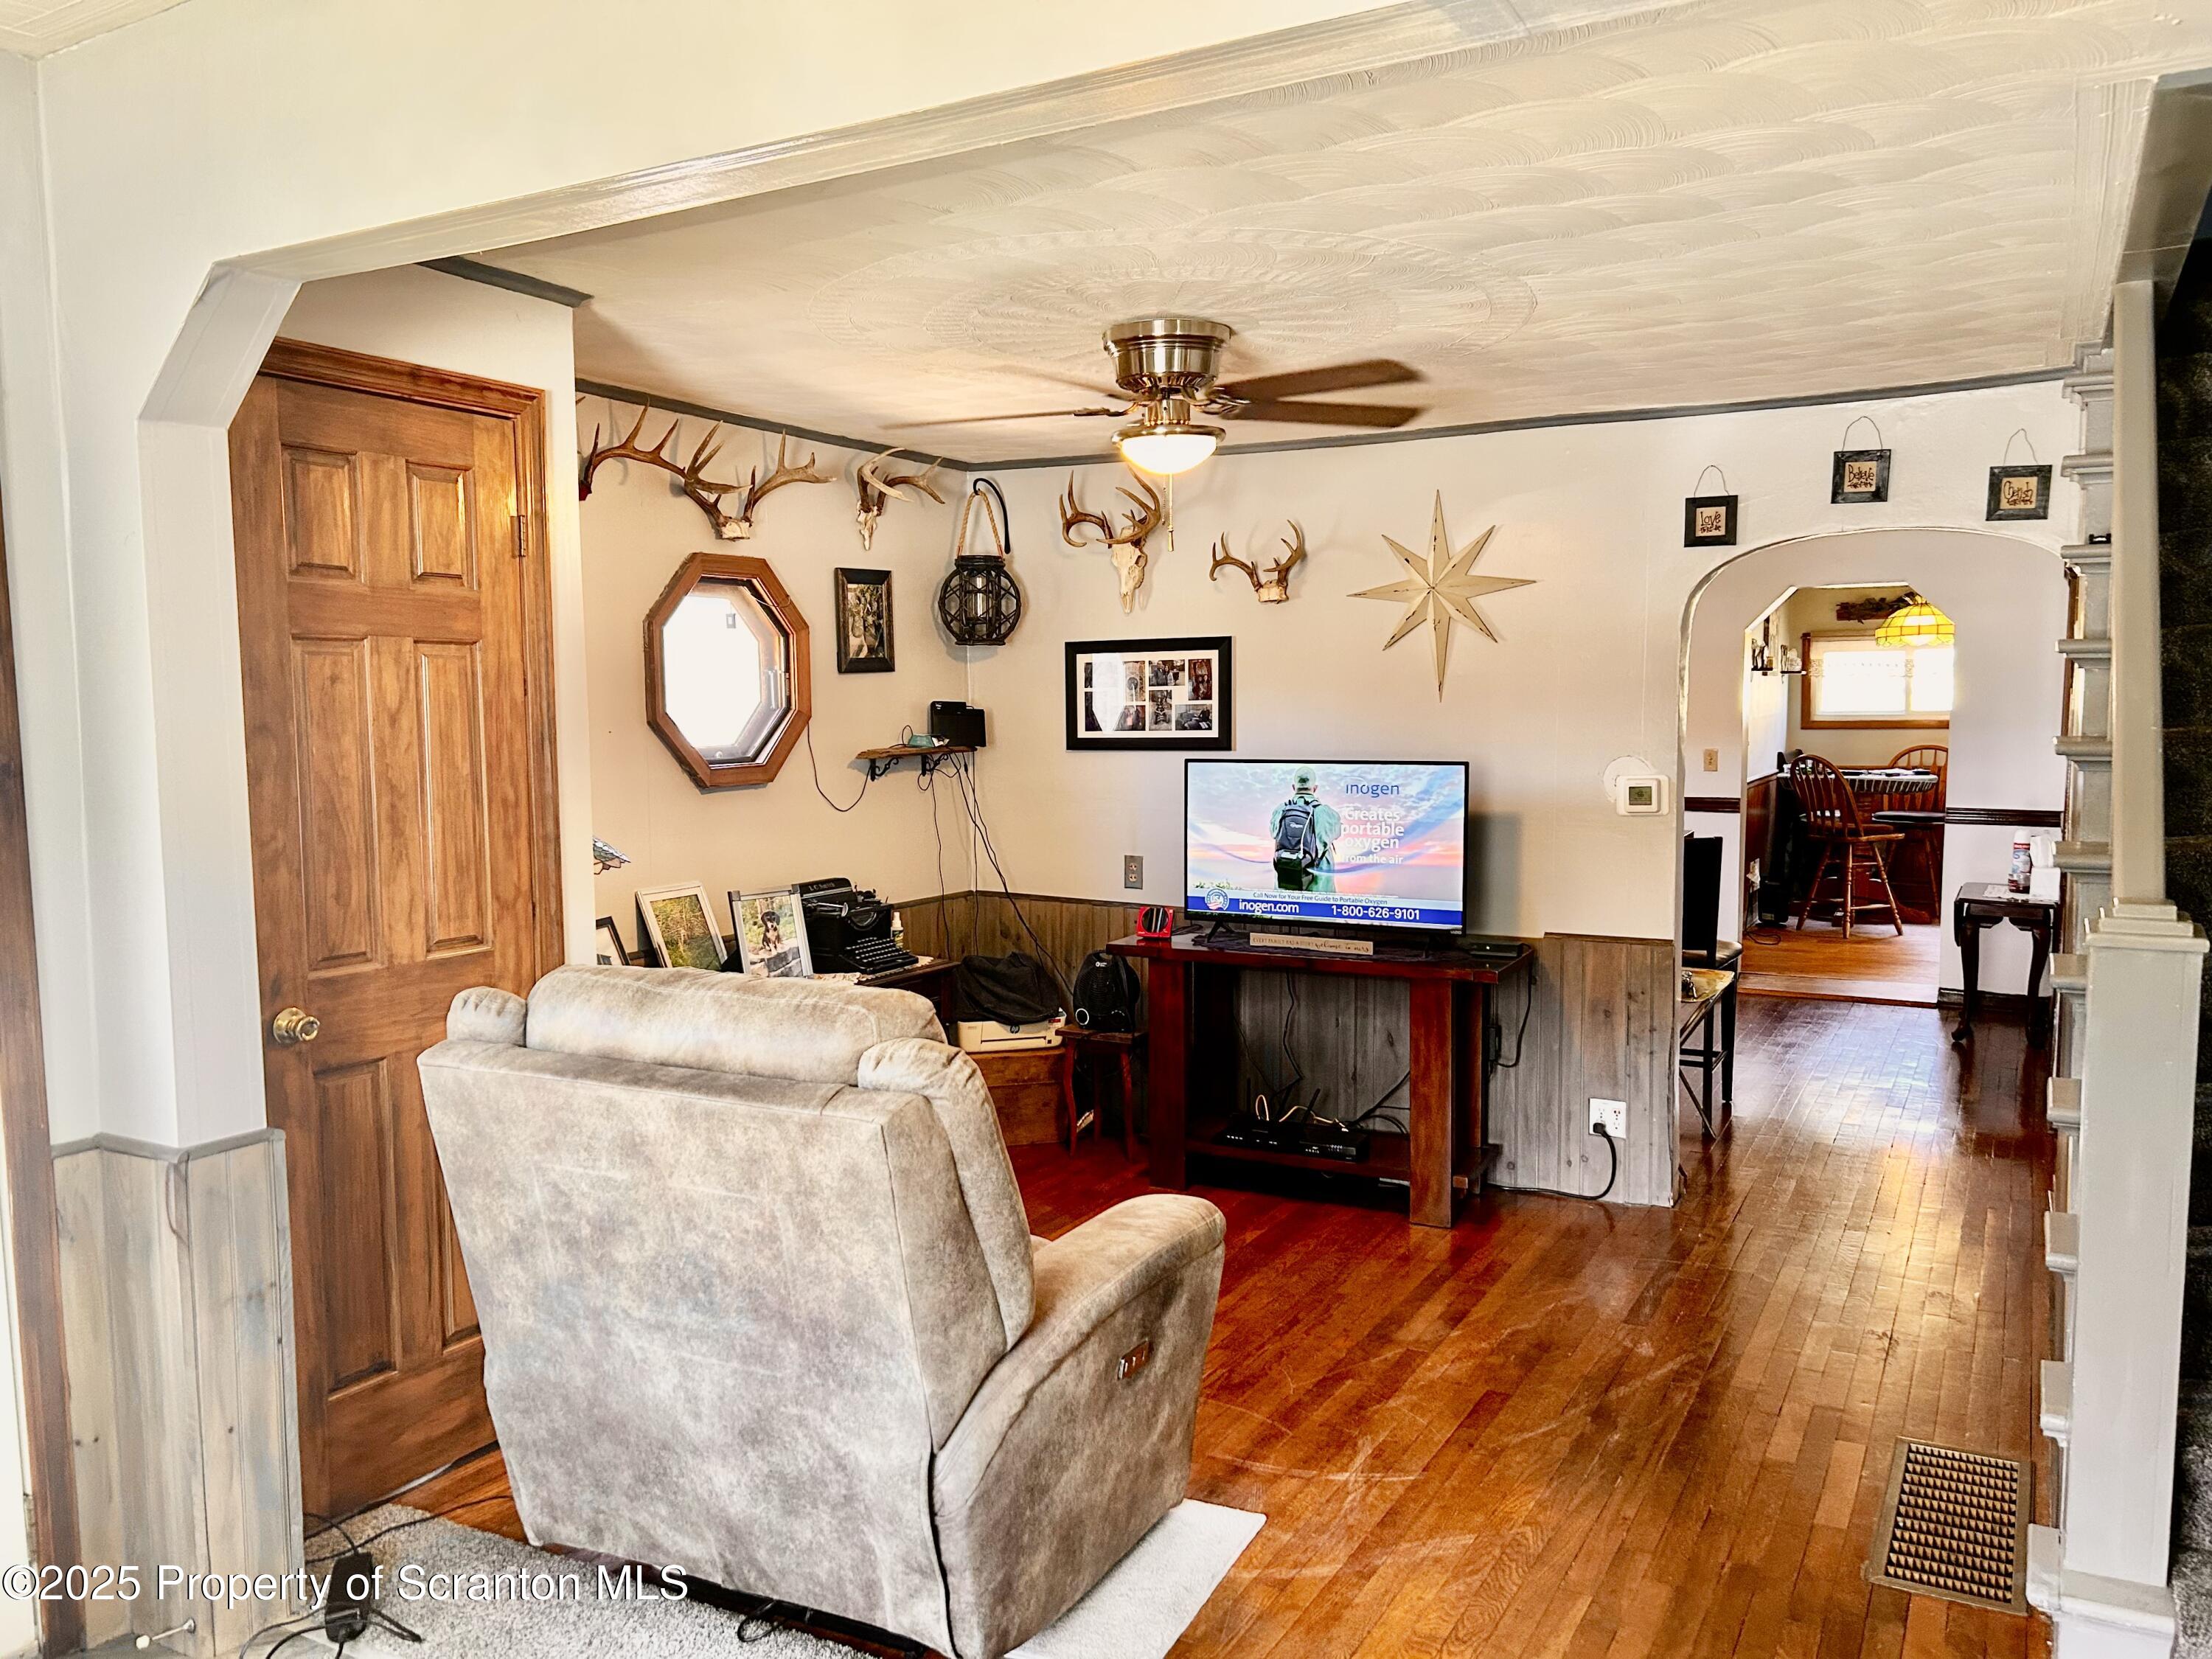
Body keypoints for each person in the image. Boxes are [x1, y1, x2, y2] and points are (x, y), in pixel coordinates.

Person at [1270, 768, 1340, 892]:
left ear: (1294, 787)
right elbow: (1337, 833)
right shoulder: (1327, 813)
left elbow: (1273, 833)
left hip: (1285, 895)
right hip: (1319, 896)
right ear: (1315, 788)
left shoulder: (1280, 810)